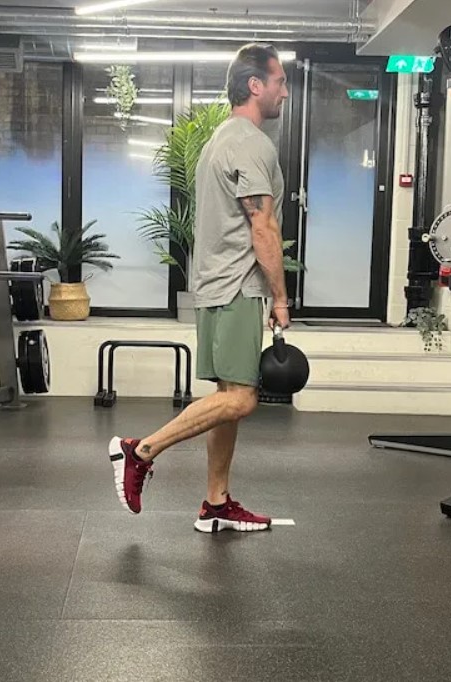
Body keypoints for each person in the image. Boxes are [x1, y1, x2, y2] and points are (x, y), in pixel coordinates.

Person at [109, 43, 291, 533]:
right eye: (279, 81)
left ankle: (216, 503)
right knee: (243, 398)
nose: (283, 91)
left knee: (228, 394)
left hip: (214, 284)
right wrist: (279, 295)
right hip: (235, 285)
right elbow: (262, 225)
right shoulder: (252, 143)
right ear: (255, 85)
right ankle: (140, 451)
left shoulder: (218, 140)